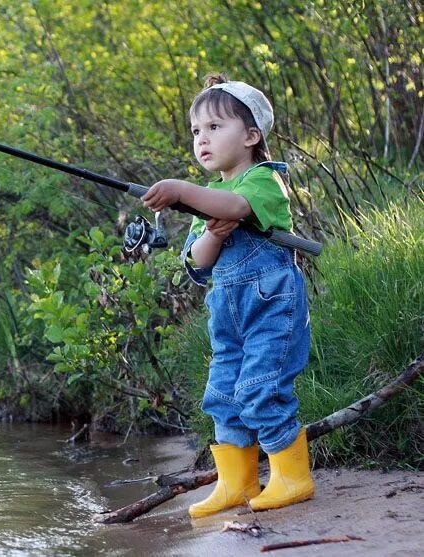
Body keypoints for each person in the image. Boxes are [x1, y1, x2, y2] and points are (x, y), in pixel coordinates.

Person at [141, 74, 314, 517]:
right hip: (227, 315)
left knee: (262, 386)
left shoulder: (263, 180)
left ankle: (292, 477)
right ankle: (236, 482)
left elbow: (237, 209)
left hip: (271, 307)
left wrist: (181, 191)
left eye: (215, 128)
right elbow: (198, 262)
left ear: (252, 135)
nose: (202, 139)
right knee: (223, 394)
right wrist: (212, 236)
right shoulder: (210, 197)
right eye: (197, 131)